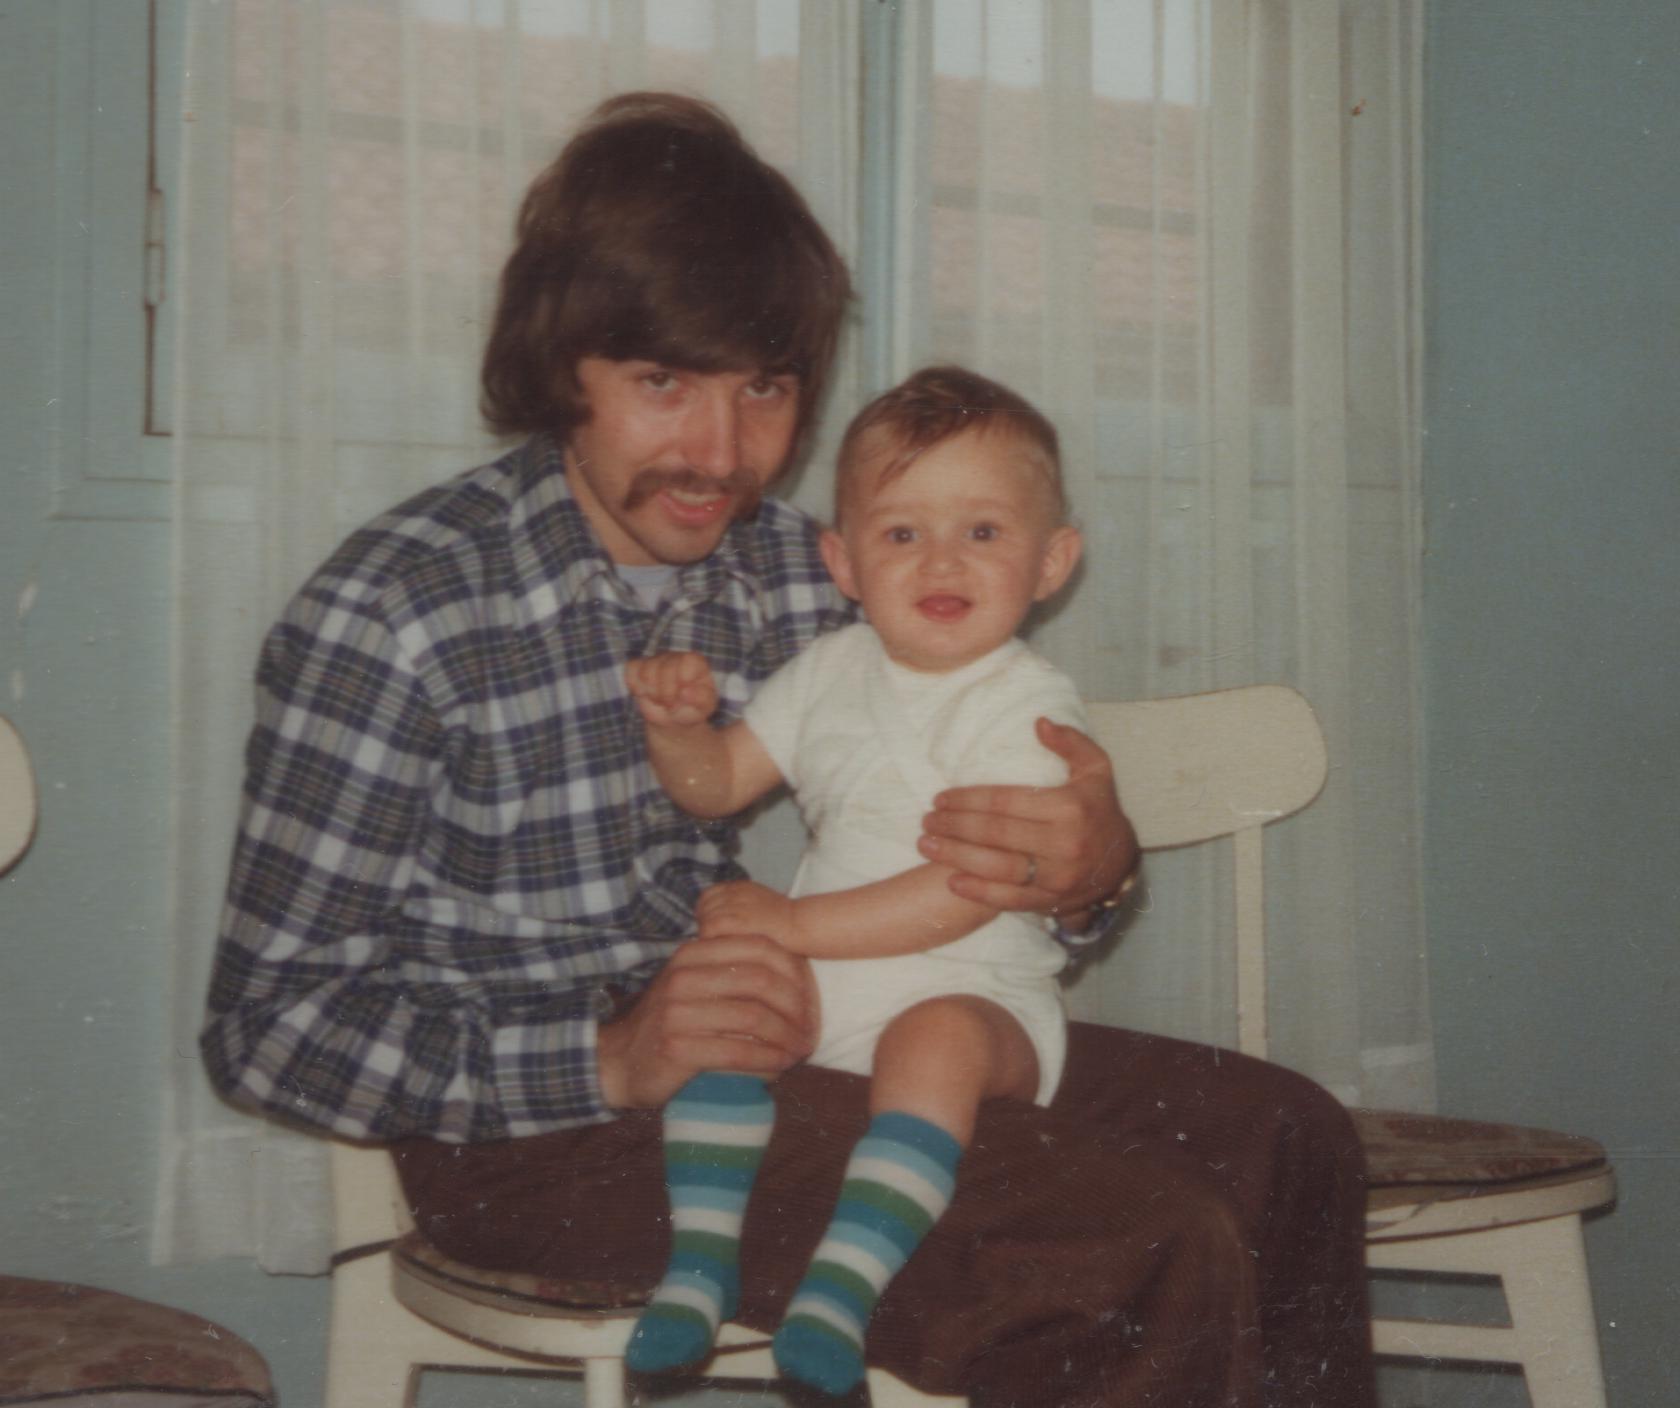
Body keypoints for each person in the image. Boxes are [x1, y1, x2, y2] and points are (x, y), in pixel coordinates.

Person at [200, 91, 1376, 1407]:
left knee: (1287, 1140)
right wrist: (612, 1056)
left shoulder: (804, 572)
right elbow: (267, 1031)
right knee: (1126, 1242)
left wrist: (1093, 868)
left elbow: (987, 820)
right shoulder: (397, 614)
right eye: (663, 383)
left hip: (813, 1033)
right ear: (561, 364)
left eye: (764, 388)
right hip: (548, 1132)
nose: (722, 452)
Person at [622, 367, 1089, 1393]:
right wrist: (680, 730)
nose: (941, 561)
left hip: (977, 996)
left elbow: (963, 890)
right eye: (902, 532)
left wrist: (793, 925)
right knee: (724, 998)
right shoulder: (829, 671)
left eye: (983, 531)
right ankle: (697, 1267)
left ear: (1052, 561)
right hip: (825, 982)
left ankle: (842, 1287)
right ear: (843, 560)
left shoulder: (1025, 705)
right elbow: (718, 784)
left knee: (934, 1038)